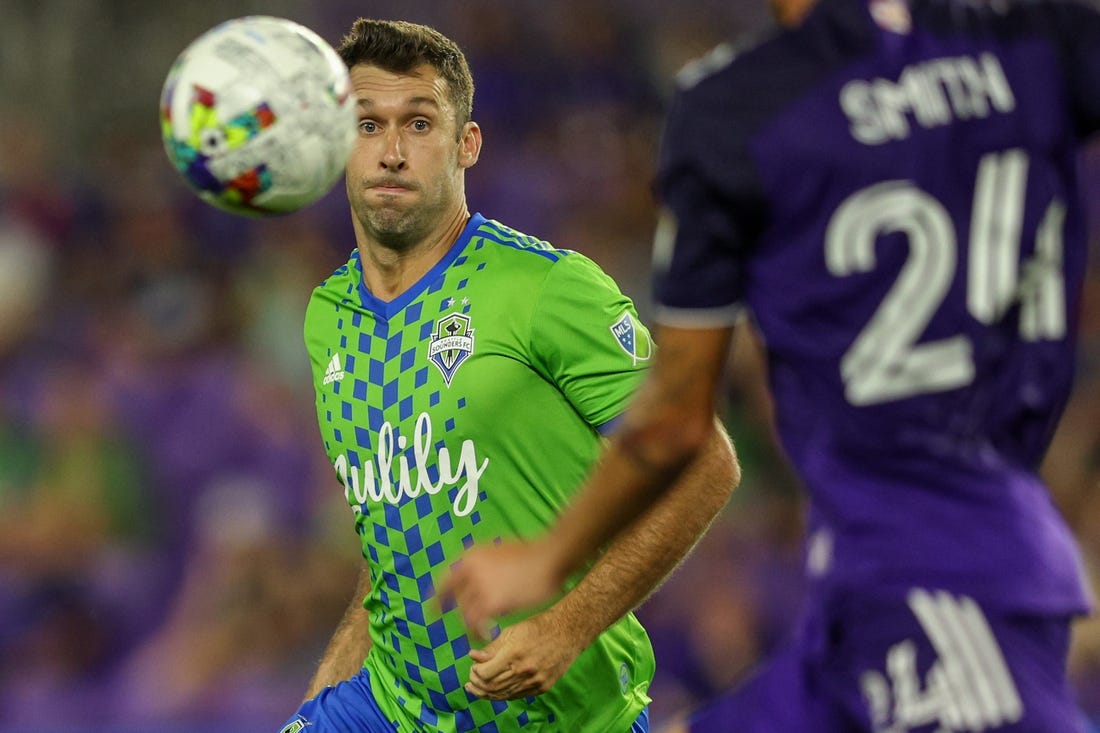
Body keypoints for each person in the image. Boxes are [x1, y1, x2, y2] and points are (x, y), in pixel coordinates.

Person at [437, 0, 1100, 730]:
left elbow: (674, 423)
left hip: (938, 572)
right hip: (875, 581)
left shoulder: (737, 107)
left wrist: (547, 557)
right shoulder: (1036, 43)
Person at [279, 18, 739, 733]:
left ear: (466, 144)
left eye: (419, 123)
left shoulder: (546, 288)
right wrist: (321, 699)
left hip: (565, 717)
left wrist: (566, 626)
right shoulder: (328, 316)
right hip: (392, 710)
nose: (392, 152)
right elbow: (395, 541)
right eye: (367, 125)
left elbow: (706, 461)